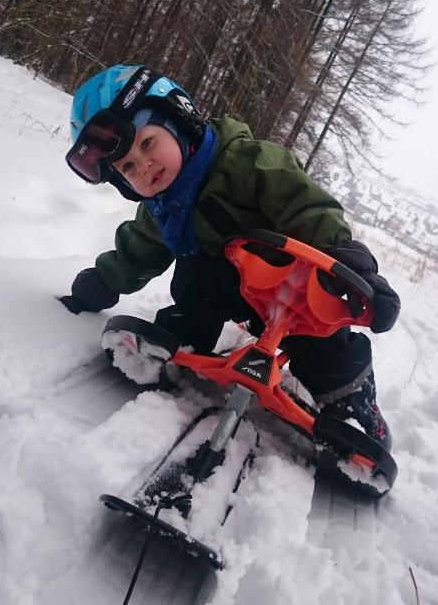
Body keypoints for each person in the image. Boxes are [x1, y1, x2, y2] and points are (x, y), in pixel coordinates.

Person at [60, 63, 400, 448]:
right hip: (230, 287)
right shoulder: (162, 207)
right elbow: (141, 247)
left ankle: (353, 404)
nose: (145, 165)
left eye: (148, 143)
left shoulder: (248, 162)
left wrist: (352, 263)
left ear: (179, 119)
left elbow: (307, 208)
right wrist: (105, 281)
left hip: (292, 289)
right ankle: (181, 343)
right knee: (193, 280)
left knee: (319, 343)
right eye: (128, 167)